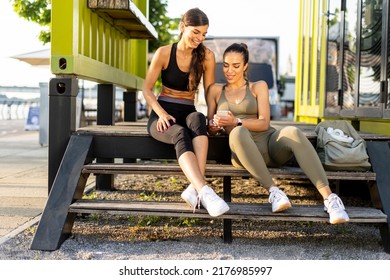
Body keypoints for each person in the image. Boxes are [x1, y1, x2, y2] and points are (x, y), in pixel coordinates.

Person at [206, 43, 349, 224]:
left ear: (245, 66)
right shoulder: (215, 91)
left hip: (270, 146)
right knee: (237, 132)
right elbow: (210, 126)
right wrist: (215, 126)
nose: (229, 70)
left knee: (293, 132)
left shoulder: (258, 87)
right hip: (242, 151)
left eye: (236, 66)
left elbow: (264, 123)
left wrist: (236, 120)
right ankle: (274, 191)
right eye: (226, 65)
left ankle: (330, 200)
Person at [142, 8, 229, 217]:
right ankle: (204, 190)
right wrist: (161, 114)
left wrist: (212, 119)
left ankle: (194, 189)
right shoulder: (164, 52)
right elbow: (147, 89)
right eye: (195, 32)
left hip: (187, 109)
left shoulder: (207, 56)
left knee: (198, 119)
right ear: (183, 27)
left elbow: (209, 92)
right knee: (180, 133)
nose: (199, 38)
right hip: (163, 112)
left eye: (204, 34)